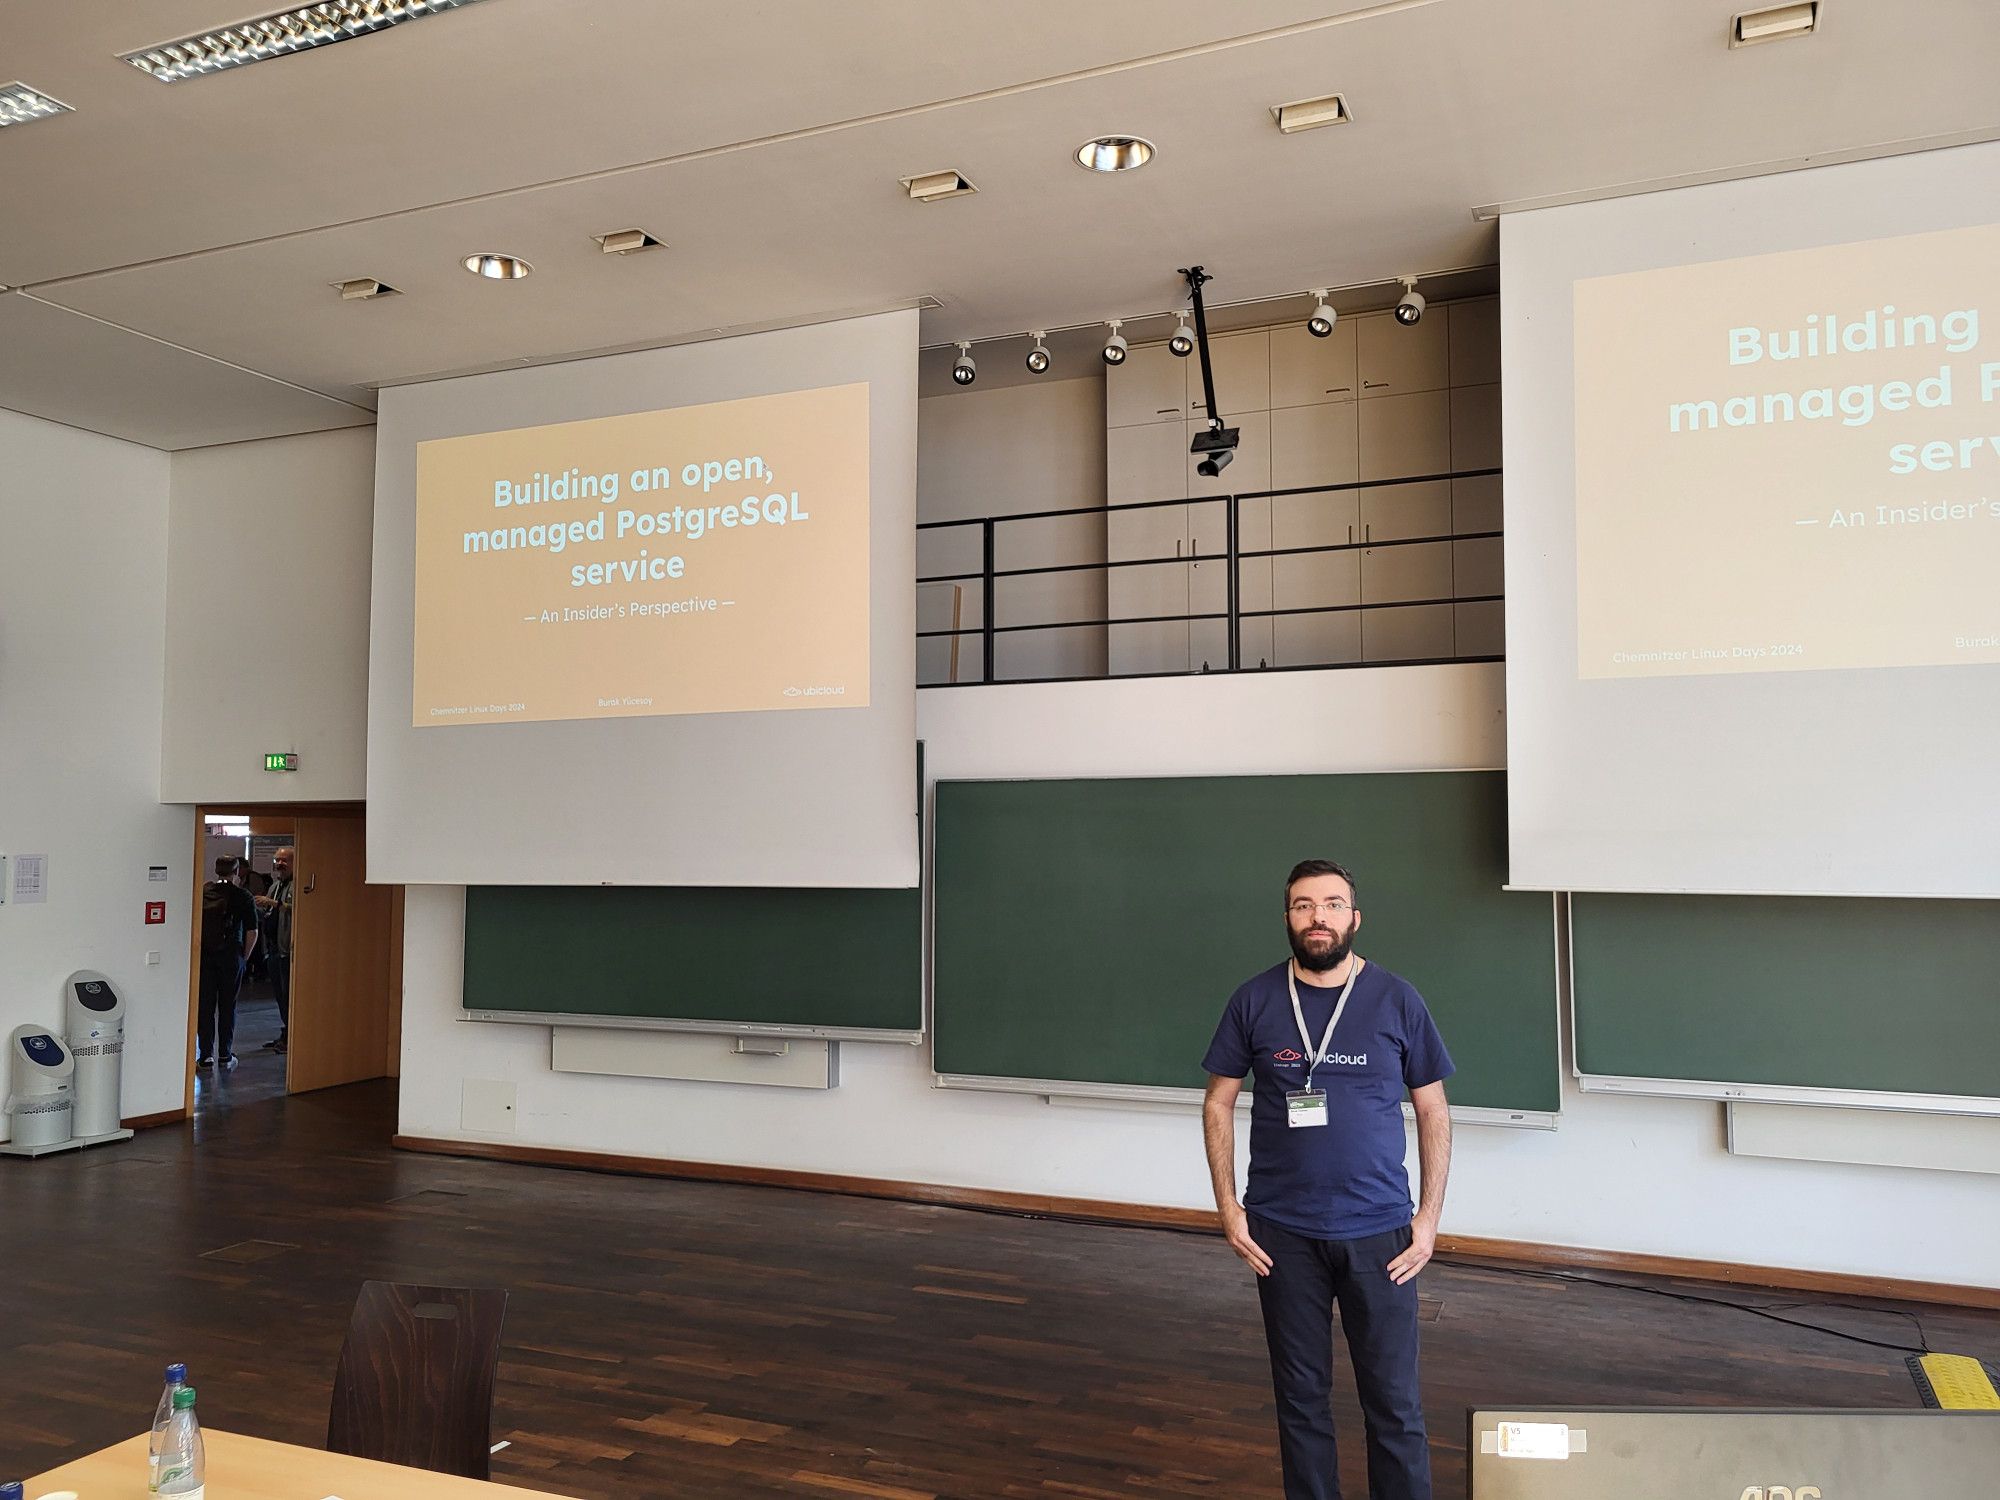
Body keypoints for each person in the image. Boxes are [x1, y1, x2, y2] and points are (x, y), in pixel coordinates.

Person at [1201, 859, 1454, 1500]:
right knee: (1301, 1402)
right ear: (1288, 917)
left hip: (1382, 1235)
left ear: (1354, 918)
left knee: (1394, 1405)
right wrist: (1229, 1208)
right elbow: (1218, 1101)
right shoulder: (1254, 999)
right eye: (1304, 905)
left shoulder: (1398, 998)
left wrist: (1427, 1219)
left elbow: (1433, 1109)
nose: (1319, 917)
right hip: (1282, 1235)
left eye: (1333, 904)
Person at [197, 855, 259, 1070]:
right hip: (231, 957)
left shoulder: (204, 892)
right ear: (236, 871)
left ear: (216, 870)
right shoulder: (243, 896)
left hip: (205, 956)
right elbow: (252, 931)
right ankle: (225, 1054)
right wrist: (245, 956)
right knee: (227, 1006)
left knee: (204, 1006)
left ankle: (205, 1056)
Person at [254, 846, 295, 1054]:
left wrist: (274, 903)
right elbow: (271, 909)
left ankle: (292, 1036)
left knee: (289, 995)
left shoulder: (296, 886)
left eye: (285, 860)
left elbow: (298, 908)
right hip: (272, 949)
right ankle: (285, 1031)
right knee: (279, 995)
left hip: (287, 949)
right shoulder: (276, 885)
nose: (280, 864)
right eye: (277, 860)